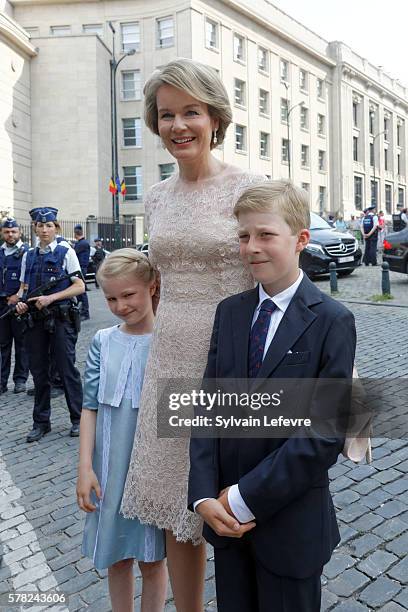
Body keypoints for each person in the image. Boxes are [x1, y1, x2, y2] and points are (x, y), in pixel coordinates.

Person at [120, 58, 265, 611]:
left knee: (235, 491)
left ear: (215, 118)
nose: (178, 125)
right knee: (177, 502)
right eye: (166, 115)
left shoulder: (249, 187)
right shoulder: (154, 197)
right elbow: (153, 277)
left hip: (232, 352)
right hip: (170, 351)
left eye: (191, 112)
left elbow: (276, 270)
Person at [189, 180, 356, 612]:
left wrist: (243, 497)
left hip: (290, 528)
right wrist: (206, 496)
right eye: (243, 236)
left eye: (265, 235)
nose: (251, 247)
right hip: (225, 526)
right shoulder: (230, 313)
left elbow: (324, 434)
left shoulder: (332, 321)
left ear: (301, 239)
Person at [77, 249, 167, 612]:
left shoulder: (167, 342)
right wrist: (85, 468)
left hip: (151, 468)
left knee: (152, 559)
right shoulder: (102, 341)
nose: (119, 305)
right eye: (110, 298)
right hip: (110, 467)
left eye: (128, 295)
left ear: (152, 287)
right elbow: (90, 407)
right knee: (116, 557)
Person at [16, 207, 85, 442]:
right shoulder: (28, 255)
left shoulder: (66, 252)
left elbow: (79, 286)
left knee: (67, 370)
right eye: (39, 225)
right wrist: (20, 303)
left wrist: (51, 298)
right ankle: (41, 422)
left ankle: (78, 419)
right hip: (35, 321)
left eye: (48, 226)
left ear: (56, 227)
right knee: (39, 372)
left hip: (60, 318)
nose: (44, 230)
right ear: (34, 227)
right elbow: (23, 289)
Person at [0, 218, 29, 394]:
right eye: (7, 231)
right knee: (3, 345)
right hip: (1, 304)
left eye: (13, 231)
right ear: (3, 233)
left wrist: (17, 296)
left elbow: (27, 280)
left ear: (19, 232)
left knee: (21, 344)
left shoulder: (27, 253)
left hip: (17, 304)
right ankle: (2, 382)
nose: (10, 234)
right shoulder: (0, 252)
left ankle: (20, 380)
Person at [74, 225, 91, 320]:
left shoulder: (82, 243)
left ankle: (85, 312)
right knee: (80, 290)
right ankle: (82, 310)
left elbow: (74, 253)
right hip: (81, 268)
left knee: (82, 291)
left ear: (76, 234)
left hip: (81, 269)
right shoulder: (82, 243)